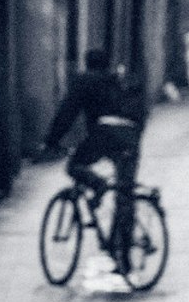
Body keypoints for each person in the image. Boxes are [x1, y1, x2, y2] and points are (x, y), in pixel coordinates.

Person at [43, 47, 145, 260]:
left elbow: (67, 112)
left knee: (74, 166)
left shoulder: (84, 80)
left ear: (87, 63)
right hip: (131, 135)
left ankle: (96, 184)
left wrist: (51, 141)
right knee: (124, 192)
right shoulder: (117, 80)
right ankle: (123, 254)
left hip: (104, 133)